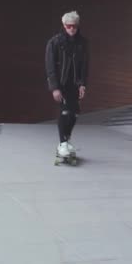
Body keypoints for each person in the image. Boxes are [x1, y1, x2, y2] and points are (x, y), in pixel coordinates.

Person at [45, 11, 88, 157]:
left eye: (74, 26)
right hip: (61, 84)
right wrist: (55, 88)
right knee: (65, 112)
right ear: (64, 25)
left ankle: (66, 140)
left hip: (74, 84)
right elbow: (50, 67)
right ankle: (62, 143)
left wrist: (83, 84)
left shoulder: (82, 43)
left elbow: (84, 66)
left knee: (75, 113)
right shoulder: (55, 42)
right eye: (69, 26)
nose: (72, 29)